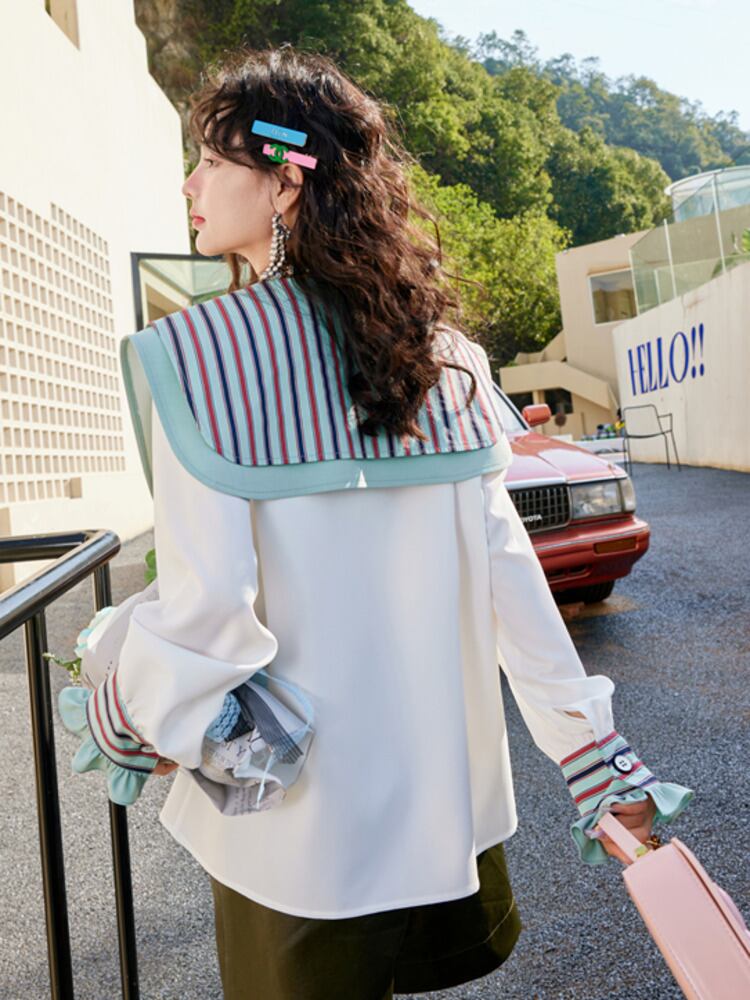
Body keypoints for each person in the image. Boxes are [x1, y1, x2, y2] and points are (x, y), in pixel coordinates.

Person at [58, 44, 694, 1000]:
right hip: (436, 813)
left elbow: (207, 618)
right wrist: (598, 766)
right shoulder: (445, 356)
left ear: (285, 182)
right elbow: (511, 584)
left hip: (294, 829)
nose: (190, 183)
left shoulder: (192, 358)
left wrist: (118, 700)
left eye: (213, 159)